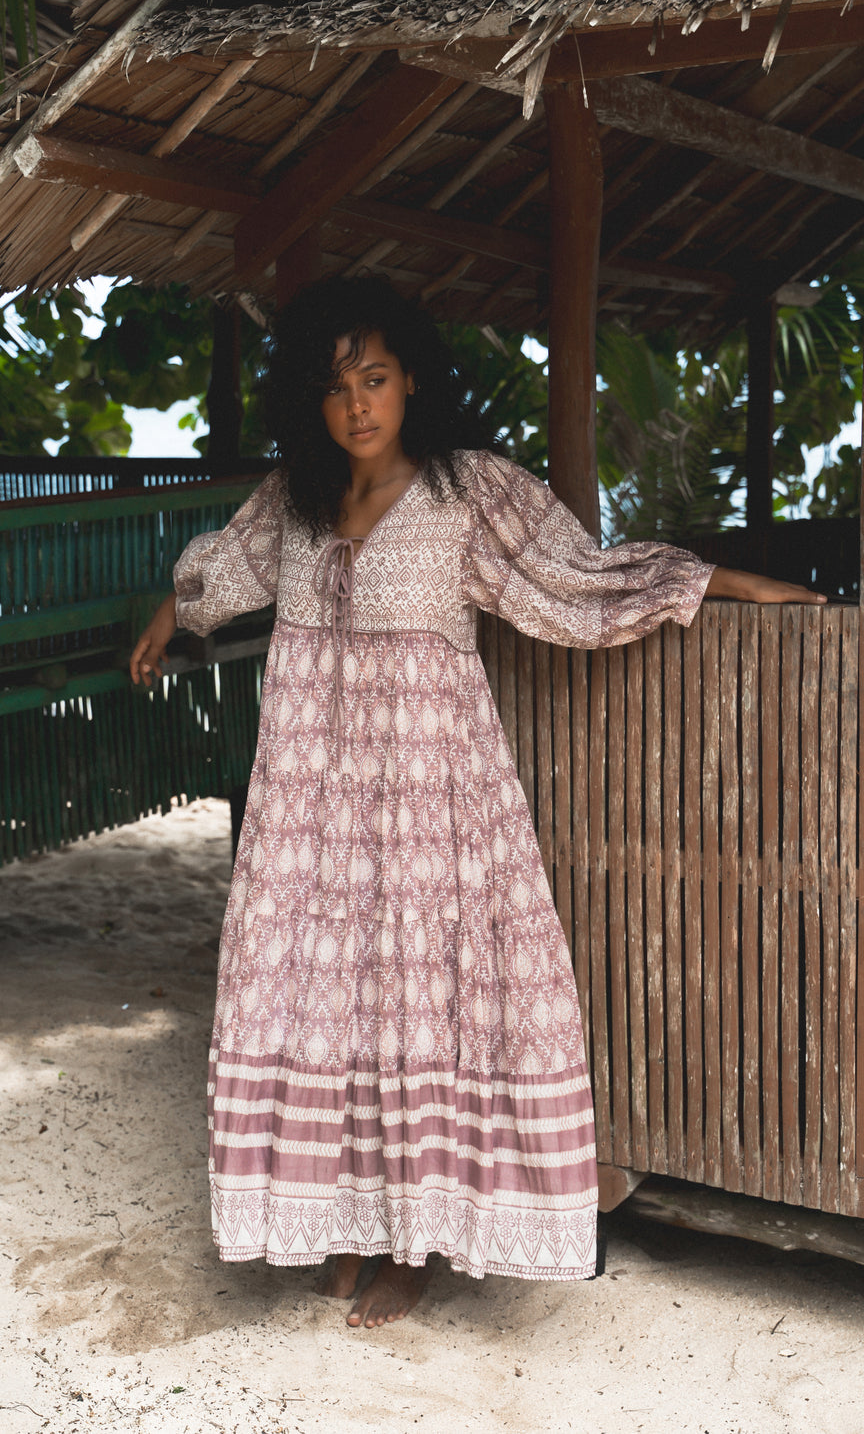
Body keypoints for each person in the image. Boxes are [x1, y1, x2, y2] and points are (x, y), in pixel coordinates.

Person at [130, 276, 825, 1330]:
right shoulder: (297, 500)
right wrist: (167, 610)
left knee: (420, 1007)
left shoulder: (470, 492)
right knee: (322, 996)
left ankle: (416, 1248)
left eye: (374, 379)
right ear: (308, 404)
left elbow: (576, 580)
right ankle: (348, 1225)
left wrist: (719, 583)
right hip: (310, 803)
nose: (357, 404)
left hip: (429, 800)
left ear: (411, 378)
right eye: (333, 387)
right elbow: (225, 570)